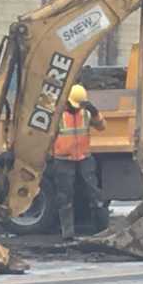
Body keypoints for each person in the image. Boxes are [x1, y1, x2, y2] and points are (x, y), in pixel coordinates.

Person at [52, 84, 107, 240]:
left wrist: (95, 113)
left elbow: (102, 127)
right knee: (65, 197)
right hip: (63, 160)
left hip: (84, 158)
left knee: (95, 195)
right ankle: (67, 235)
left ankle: (103, 232)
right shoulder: (58, 115)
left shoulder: (86, 114)